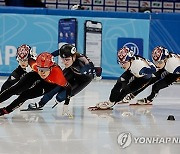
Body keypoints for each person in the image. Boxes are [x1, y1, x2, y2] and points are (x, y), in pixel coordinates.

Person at [0, 52, 72, 116]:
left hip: (49, 83)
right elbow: (27, 59)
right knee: (15, 88)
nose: (43, 72)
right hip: (36, 74)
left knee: (25, 95)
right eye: (41, 69)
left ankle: (6, 110)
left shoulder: (58, 76)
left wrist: (66, 103)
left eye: (45, 69)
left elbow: (69, 87)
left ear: (50, 68)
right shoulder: (34, 65)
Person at [28, 43, 96, 110]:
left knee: (60, 97)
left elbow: (93, 70)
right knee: (54, 87)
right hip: (71, 71)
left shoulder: (82, 65)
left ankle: (59, 97)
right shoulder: (69, 55)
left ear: (74, 57)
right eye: (63, 59)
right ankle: (40, 104)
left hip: (82, 80)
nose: (64, 62)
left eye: (67, 60)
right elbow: (57, 53)